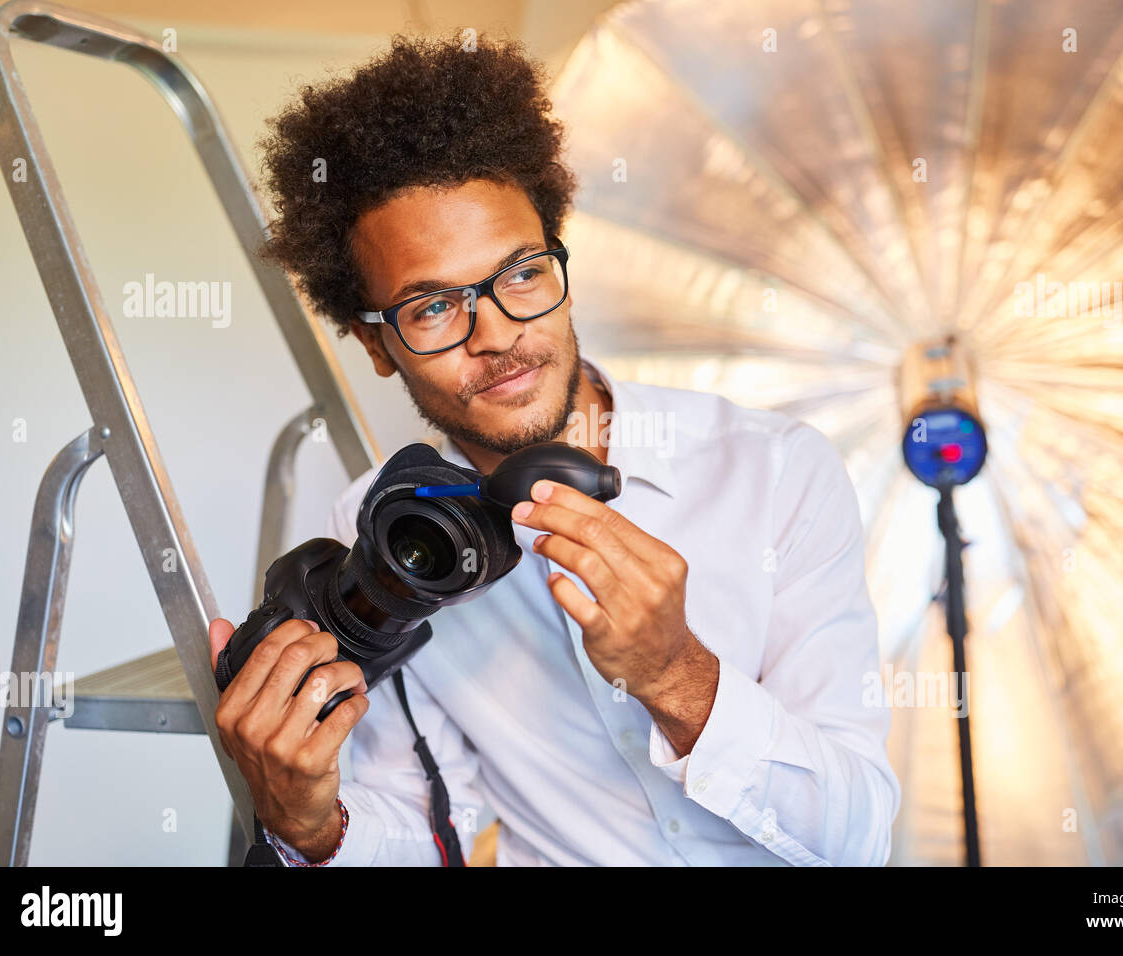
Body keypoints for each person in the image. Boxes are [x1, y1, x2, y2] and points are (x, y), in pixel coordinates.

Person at [210, 31, 899, 866]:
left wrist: (678, 675)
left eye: (523, 275)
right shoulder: (380, 530)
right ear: (376, 345)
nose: (497, 334)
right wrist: (313, 826)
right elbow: (430, 824)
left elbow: (859, 837)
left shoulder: (779, 472)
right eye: (431, 309)